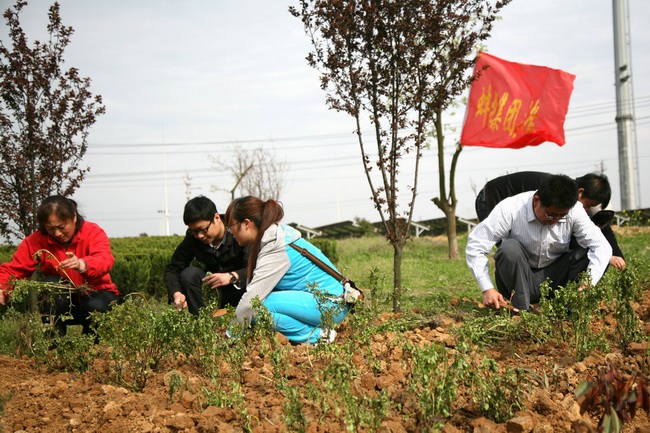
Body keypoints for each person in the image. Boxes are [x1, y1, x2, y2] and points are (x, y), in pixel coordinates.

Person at [466, 175, 613, 312]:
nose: (556, 220)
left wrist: (588, 283)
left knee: (589, 254)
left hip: (554, 278)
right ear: (536, 201)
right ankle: (520, 310)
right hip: (521, 279)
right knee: (509, 248)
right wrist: (487, 288)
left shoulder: (575, 211)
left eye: (562, 216)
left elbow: (602, 246)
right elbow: (476, 245)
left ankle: (567, 311)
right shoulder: (511, 209)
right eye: (551, 214)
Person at [225, 196, 350, 344]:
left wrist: (230, 334)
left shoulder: (276, 246)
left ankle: (318, 335)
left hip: (331, 304)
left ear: (246, 223)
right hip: (331, 302)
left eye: (231, 226)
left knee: (257, 307)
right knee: (255, 310)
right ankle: (315, 332)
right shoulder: (274, 237)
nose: (231, 233)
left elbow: (252, 299)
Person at [0, 195, 119, 337]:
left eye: (62, 227)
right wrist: (2, 287)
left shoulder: (93, 231)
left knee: (96, 306)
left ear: (74, 217)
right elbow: (14, 269)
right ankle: (53, 345)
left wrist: (82, 264)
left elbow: (104, 259)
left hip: (97, 296)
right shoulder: (36, 240)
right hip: (63, 303)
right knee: (50, 285)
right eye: (50, 228)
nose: (57, 233)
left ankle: (94, 347)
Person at [474, 171, 625, 270]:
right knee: (509, 248)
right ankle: (514, 289)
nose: (586, 210)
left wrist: (616, 255)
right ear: (580, 193)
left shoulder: (563, 193)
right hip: (489, 198)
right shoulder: (551, 191)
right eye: (589, 205)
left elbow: (598, 229)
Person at [164, 196, 248, 316]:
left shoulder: (238, 229)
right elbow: (173, 269)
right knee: (189, 275)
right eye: (194, 231)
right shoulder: (193, 238)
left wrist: (231, 276)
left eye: (203, 229)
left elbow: (256, 268)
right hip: (213, 293)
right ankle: (202, 321)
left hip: (241, 291)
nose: (200, 236)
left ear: (216, 218)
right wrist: (176, 293)